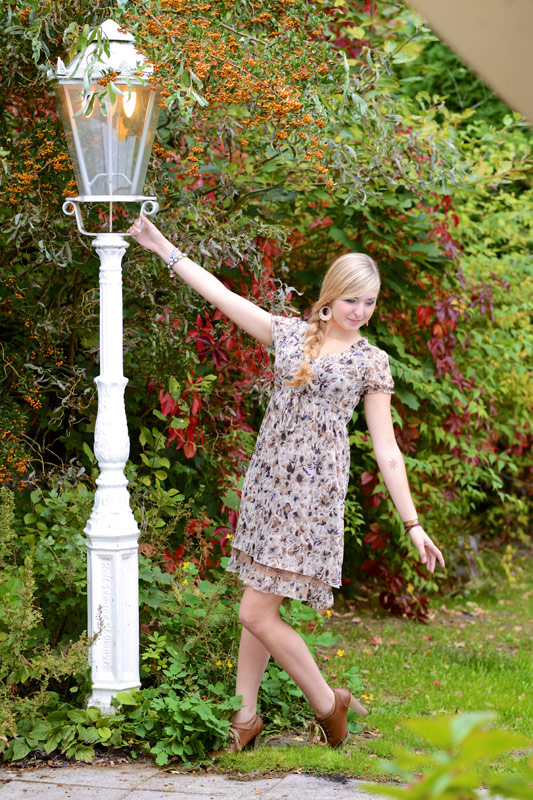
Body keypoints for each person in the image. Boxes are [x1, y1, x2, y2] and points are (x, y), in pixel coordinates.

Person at [128, 215, 445, 752]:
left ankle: (327, 702)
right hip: (267, 486)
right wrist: (161, 245)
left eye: (369, 302)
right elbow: (222, 295)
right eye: (352, 299)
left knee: (253, 610)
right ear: (331, 296)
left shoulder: (372, 362)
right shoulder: (290, 336)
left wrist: (412, 523)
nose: (360, 311)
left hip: (312, 497)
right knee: (261, 603)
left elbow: (387, 450)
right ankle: (245, 718)